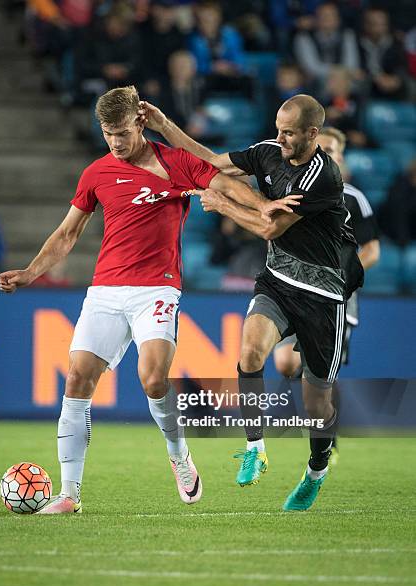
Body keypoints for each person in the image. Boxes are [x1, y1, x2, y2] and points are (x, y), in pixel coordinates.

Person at [0, 85, 297, 514]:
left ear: (139, 122)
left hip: (157, 287)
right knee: (77, 378)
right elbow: (67, 234)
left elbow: (224, 183)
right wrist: (29, 272)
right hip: (105, 290)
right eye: (107, 133)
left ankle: (178, 456)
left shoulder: (175, 163)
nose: (115, 142)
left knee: (153, 378)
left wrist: (265, 206)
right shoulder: (96, 173)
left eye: (121, 132)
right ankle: (69, 495)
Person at [139, 93, 363, 511]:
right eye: (278, 128)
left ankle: (317, 469)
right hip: (278, 282)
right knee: (250, 353)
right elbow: (210, 163)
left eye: (290, 133)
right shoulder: (268, 152)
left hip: (323, 295)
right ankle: (256, 449)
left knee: (317, 403)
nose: (280, 138)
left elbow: (269, 228)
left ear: (313, 134)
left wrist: (223, 203)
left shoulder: (321, 176)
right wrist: (164, 126)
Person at [273, 127, 380, 461]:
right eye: (324, 150)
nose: (328, 155)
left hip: (336, 297)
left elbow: (373, 250)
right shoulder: (298, 194)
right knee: (287, 362)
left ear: (341, 156)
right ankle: (321, 422)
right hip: (298, 290)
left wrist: (339, 277)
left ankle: (326, 436)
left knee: (318, 369)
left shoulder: (353, 198)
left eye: (334, 150)